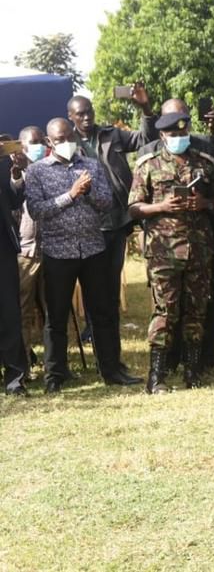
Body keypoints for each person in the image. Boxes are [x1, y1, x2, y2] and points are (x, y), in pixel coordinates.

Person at [24, 118, 140, 392]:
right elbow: (37, 210)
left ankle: (111, 369)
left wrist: (86, 193)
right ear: (50, 142)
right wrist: (71, 194)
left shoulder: (91, 165)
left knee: (101, 312)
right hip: (58, 253)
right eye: (61, 139)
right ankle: (55, 375)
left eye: (70, 138)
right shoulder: (37, 172)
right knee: (57, 317)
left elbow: (107, 203)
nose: (67, 143)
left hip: (92, 249)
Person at [128, 112, 214, 392]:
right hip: (163, 252)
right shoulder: (147, 164)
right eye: (173, 135)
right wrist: (161, 207)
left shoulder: (205, 163)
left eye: (183, 134)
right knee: (165, 311)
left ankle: (193, 372)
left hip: (199, 250)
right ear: (162, 136)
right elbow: (133, 208)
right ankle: (156, 376)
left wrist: (203, 203)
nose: (179, 138)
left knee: (196, 310)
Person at [68, 89, 157, 368]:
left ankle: (109, 351)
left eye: (89, 111)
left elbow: (146, 139)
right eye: (80, 113)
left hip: (116, 222)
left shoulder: (111, 134)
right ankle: (98, 342)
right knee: (95, 291)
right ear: (71, 117)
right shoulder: (66, 143)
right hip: (86, 227)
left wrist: (145, 109)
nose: (86, 117)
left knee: (109, 288)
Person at [1, 139, 30, 395]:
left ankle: (14, 378)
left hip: (2, 248)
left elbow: (13, 200)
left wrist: (16, 174)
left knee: (9, 312)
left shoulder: (1, 157)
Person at [16, 127, 47, 367]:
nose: (38, 146)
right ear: (22, 147)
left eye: (41, 141)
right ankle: (24, 364)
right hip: (24, 254)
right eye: (32, 142)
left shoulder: (50, 171)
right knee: (22, 313)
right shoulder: (14, 176)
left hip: (51, 251)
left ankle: (55, 366)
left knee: (53, 312)